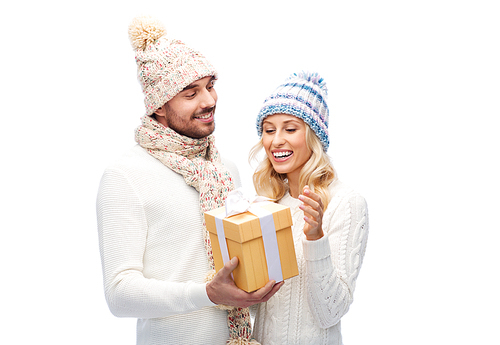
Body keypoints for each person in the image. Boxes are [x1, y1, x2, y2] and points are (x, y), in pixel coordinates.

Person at [96, 16, 281, 345]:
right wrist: (206, 294)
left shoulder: (225, 169)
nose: (209, 101)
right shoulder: (125, 176)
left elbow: (238, 269)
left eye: (210, 85)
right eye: (190, 93)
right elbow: (119, 293)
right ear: (160, 107)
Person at [249, 72, 369, 345]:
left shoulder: (346, 203)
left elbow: (330, 313)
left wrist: (315, 237)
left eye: (290, 129)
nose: (276, 140)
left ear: (314, 137)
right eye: (269, 130)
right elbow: (259, 306)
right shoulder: (268, 203)